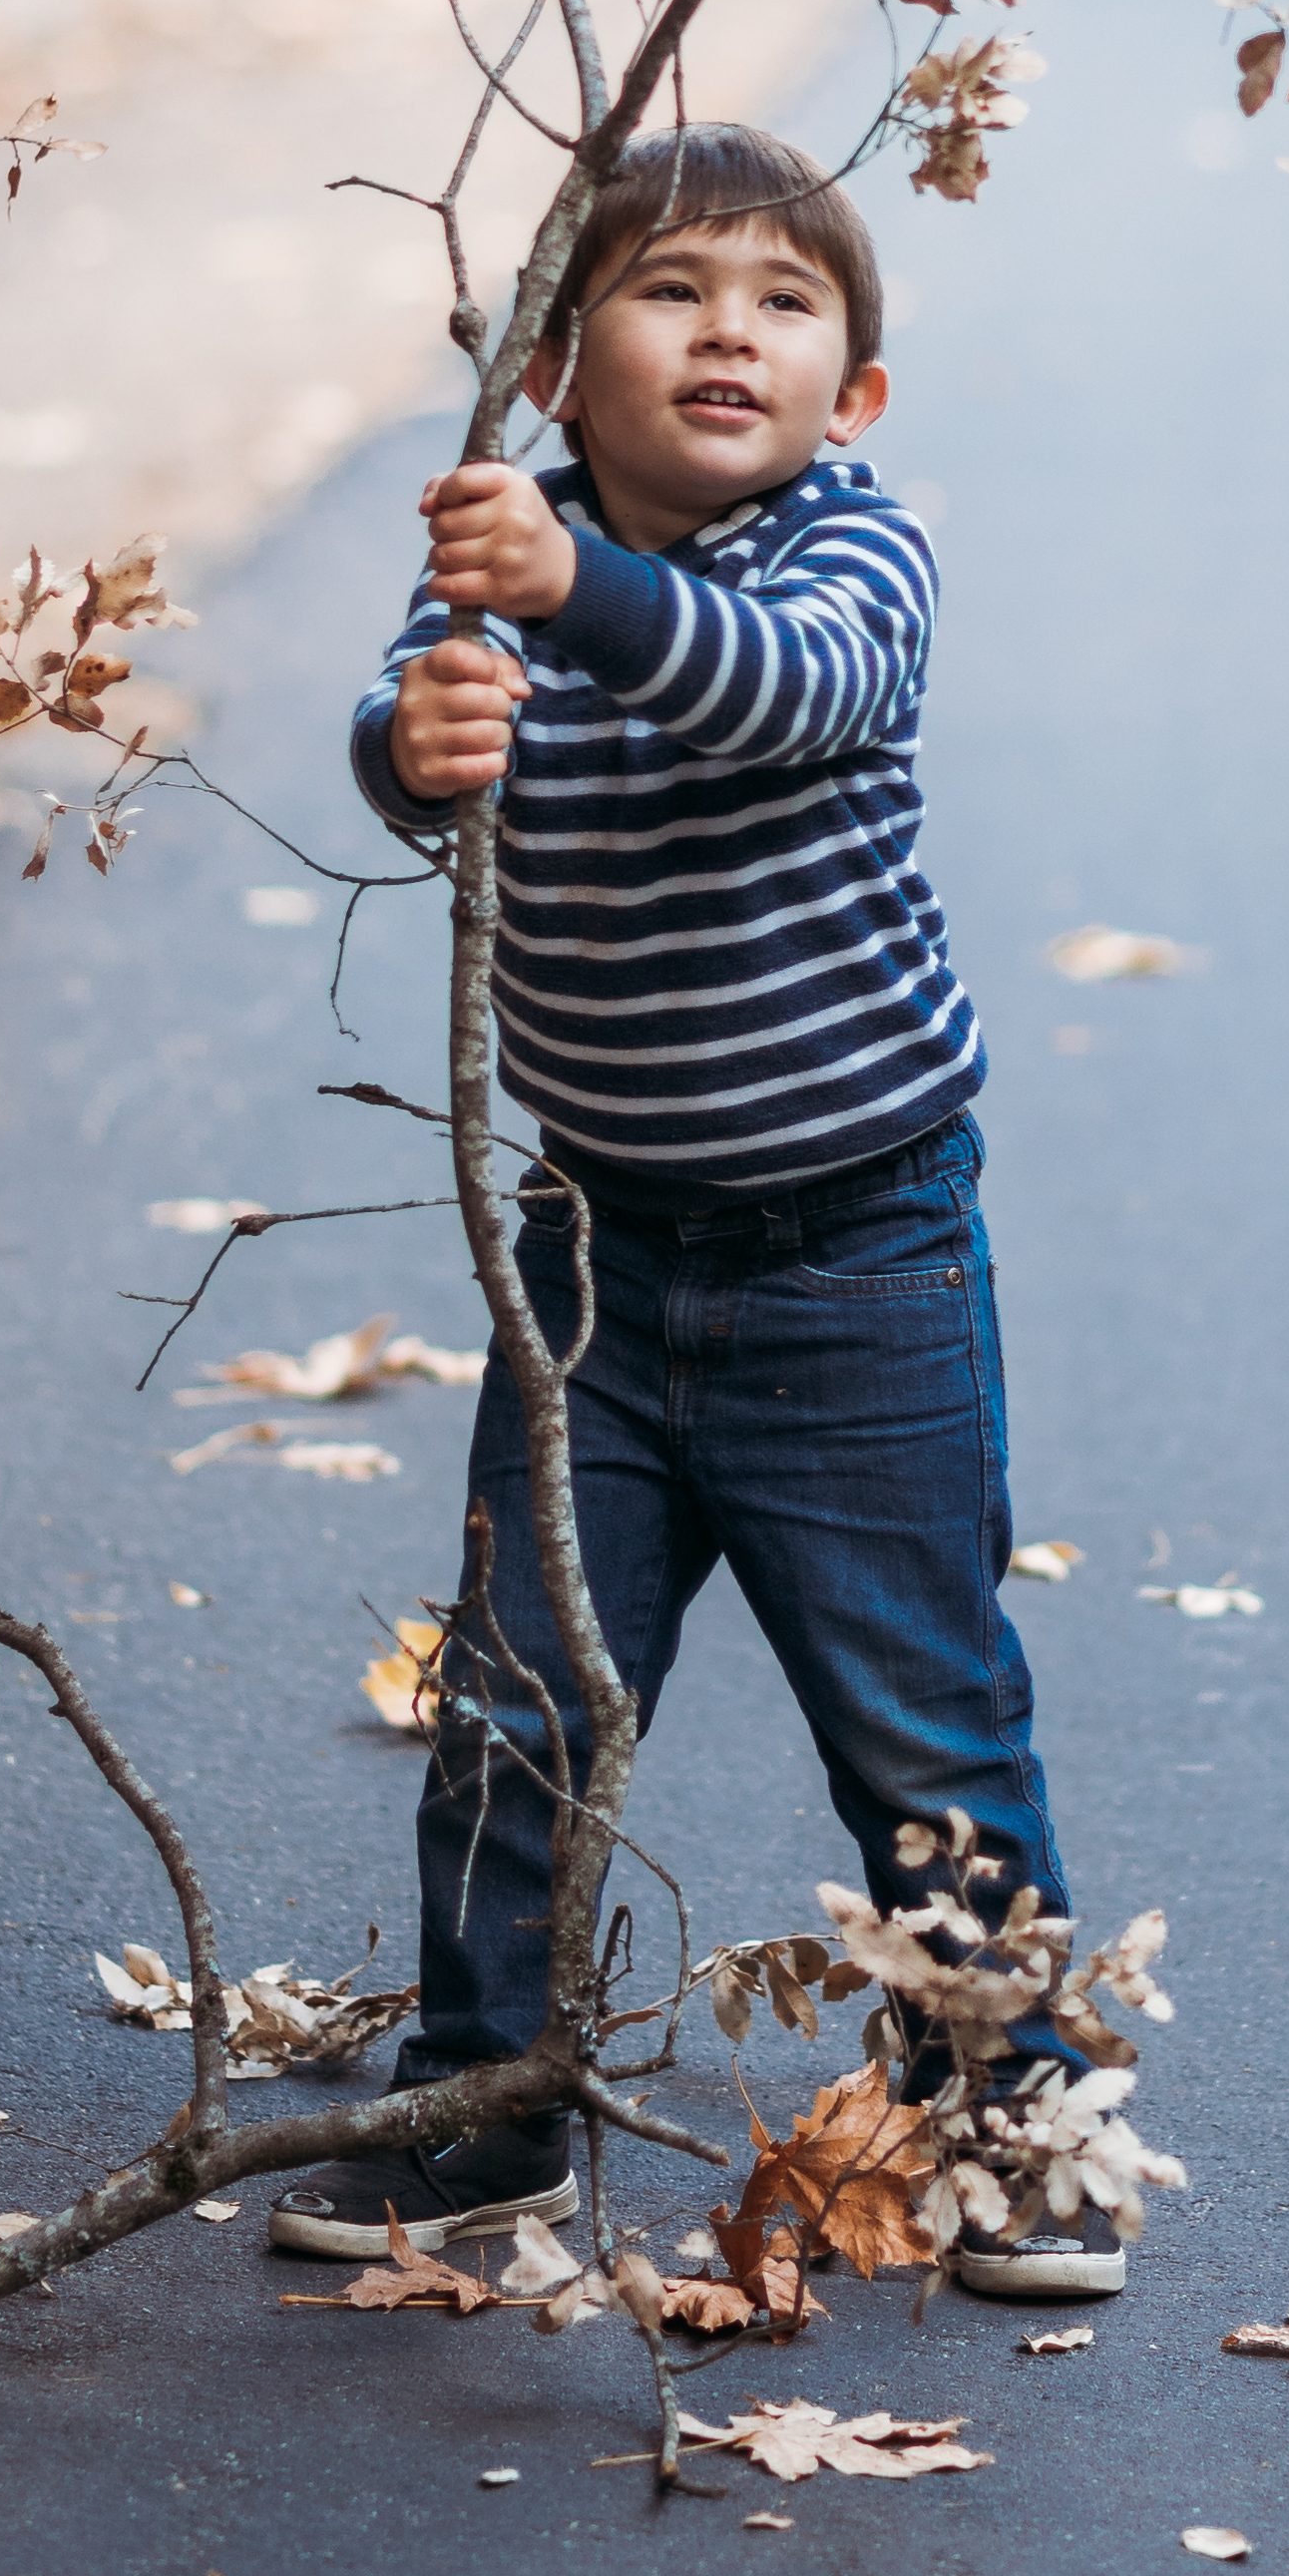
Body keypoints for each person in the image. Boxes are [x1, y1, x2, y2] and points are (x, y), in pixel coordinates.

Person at [260, 121, 1116, 2305]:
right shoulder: (505, 548)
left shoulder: (857, 554)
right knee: (517, 1701)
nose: (728, 328)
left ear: (858, 388)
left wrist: (575, 606)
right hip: (597, 1264)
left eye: (784, 299)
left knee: (924, 1721)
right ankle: (484, 2111)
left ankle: (1002, 2110)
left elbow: (781, 687)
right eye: (667, 289)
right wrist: (419, 737)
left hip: (861, 1252)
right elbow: (404, 724)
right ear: (554, 363)